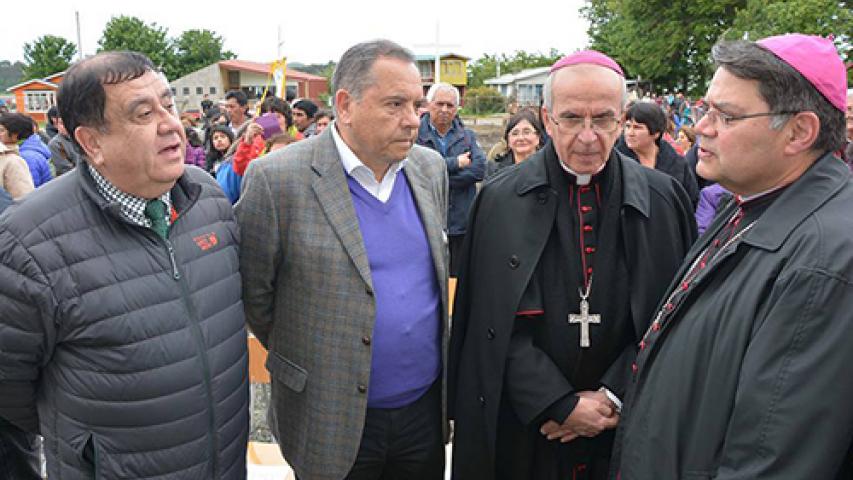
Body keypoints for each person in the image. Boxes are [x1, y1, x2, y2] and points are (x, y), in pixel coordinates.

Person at [448, 50, 697, 480]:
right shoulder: (500, 200)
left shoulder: (663, 199)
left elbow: (675, 321)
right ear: (548, 119)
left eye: (602, 119)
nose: (587, 136)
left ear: (621, 119)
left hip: (625, 425)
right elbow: (489, 323)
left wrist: (612, 397)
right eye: (571, 119)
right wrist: (559, 404)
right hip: (529, 427)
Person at [0, 51, 249, 479]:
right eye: (143, 113)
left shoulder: (207, 199)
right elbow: (10, 388)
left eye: (168, 104)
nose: (171, 124)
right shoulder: (28, 240)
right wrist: (92, 447)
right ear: (92, 142)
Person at [614, 34, 853, 480]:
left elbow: (771, 460)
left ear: (799, 132)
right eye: (706, 109)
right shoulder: (749, 201)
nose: (701, 127)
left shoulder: (826, 259)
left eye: (726, 116)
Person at [237, 39, 449, 480]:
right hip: (329, 416)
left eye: (417, 104)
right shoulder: (278, 180)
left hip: (423, 413)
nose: (413, 120)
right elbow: (256, 295)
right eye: (395, 104)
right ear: (345, 105)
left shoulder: (429, 169)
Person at [416, 82, 486, 277]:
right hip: (426, 221)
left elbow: (479, 170)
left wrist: (438, 176)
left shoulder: (467, 136)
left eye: (450, 105)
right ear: (429, 105)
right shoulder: (415, 136)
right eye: (439, 104)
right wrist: (455, 163)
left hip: (460, 223)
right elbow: (418, 172)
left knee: (458, 279)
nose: (445, 110)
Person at [616, 102, 700, 206]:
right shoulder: (615, 161)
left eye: (637, 127)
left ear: (655, 133)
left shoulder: (677, 164)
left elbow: (691, 200)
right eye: (628, 126)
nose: (630, 133)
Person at [485, 109, 545, 179]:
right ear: (508, 140)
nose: (521, 138)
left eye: (526, 132)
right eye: (515, 133)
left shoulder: (550, 168)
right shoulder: (494, 171)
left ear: (538, 136)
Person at [0, 113, 52, 187]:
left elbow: (28, 191)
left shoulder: (26, 157)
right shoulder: (33, 147)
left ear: (15, 134)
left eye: (2, 130)